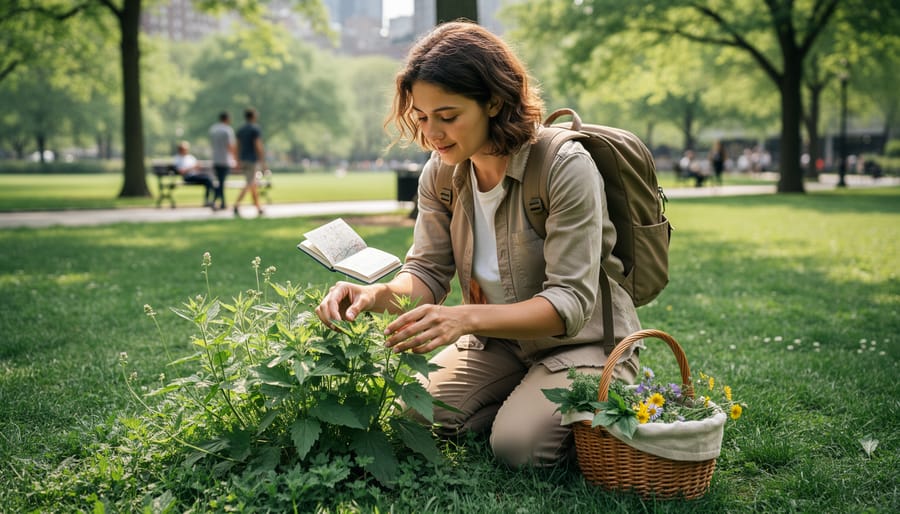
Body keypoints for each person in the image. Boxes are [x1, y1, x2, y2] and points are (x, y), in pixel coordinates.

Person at [314, 21, 641, 468]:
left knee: (520, 449)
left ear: (494, 101)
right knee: (412, 417)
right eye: (422, 117)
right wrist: (373, 296)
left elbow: (569, 303)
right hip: (498, 343)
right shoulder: (441, 172)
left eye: (448, 117)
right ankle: (523, 396)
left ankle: (603, 387)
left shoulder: (564, 165)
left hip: (583, 343)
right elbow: (427, 273)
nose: (432, 134)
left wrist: (464, 317)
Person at [233, 107, 267, 217]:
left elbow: (237, 146)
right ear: (253, 116)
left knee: (253, 183)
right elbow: (258, 145)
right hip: (252, 159)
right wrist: (262, 160)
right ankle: (236, 205)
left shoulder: (241, 130)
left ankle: (258, 207)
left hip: (243, 159)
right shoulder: (255, 129)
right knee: (250, 182)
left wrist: (237, 160)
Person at [208, 111, 237, 211]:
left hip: (216, 159)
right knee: (221, 182)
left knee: (220, 181)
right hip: (225, 160)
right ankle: (215, 200)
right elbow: (230, 146)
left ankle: (223, 203)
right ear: (227, 119)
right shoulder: (227, 130)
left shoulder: (213, 129)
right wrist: (235, 158)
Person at [173, 141, 215, 206]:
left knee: (208, 178)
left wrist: (197, 166)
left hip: (195, 175)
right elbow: (181, 171)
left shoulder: (190, 157)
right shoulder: (178, 158)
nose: (186, 150)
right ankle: (215, 194)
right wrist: (191, 168)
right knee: (207, 179)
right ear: (180, 149)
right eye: (184, 149)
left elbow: (197, 167)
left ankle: (208, 200)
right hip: (188, 176)